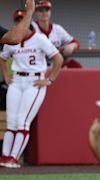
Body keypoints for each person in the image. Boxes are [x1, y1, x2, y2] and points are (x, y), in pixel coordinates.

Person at [0, 10, 63, 168]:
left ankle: (14, 158)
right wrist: (6, 76)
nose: (19, 22)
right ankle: (4, 157)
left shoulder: (39, 39)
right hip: (17, 79)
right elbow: (2, 57)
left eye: (22, 19)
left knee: (23, 121)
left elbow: (58, 58)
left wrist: (49, 80)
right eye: (17, 20)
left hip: (34, 80)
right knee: (12, 122)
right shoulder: (12, 39)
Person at [31, 0, 81, 68]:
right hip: (37, 66)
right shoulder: (32, 27)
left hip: (55, 66)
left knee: (75, 65)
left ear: (50, 12)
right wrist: (58, 50)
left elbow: (75, 42)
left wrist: (71, 46)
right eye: (40, 10)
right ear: (36, 13)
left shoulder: (57, 29)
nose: (44, 13)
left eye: (46, 10)